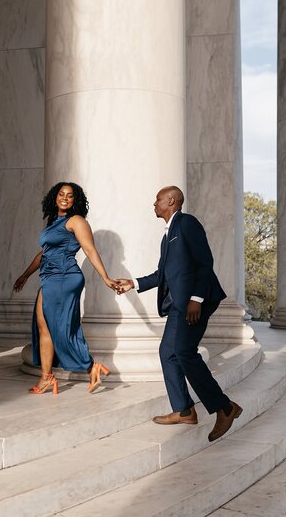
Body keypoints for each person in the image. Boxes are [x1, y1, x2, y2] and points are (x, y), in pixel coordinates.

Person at [116, 186, 243, 442]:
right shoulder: (168, 235)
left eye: (158, 199)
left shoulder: (187, 224)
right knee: (168, 352)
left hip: (193, 302)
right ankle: (184, 410)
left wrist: (196, 299)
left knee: (184, 352)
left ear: (171, 201)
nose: (154, 203)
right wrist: (134, 284)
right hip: (178, 304)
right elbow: (162, 274)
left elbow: (205, 262)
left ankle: (225, 408)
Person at [14, 182, 115, 394]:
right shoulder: (54, 223)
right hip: (50, 278)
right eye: (61, 194)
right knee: (44, 326)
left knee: (60, 328)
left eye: (70, 196)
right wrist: (25, 275)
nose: (65, 198)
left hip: (64, 277)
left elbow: (89, 249)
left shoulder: (76, 221)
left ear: (75, 200)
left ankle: (90, 366)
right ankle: (47, 377)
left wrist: (105, 278)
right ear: (55, 197)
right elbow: (43, 254)